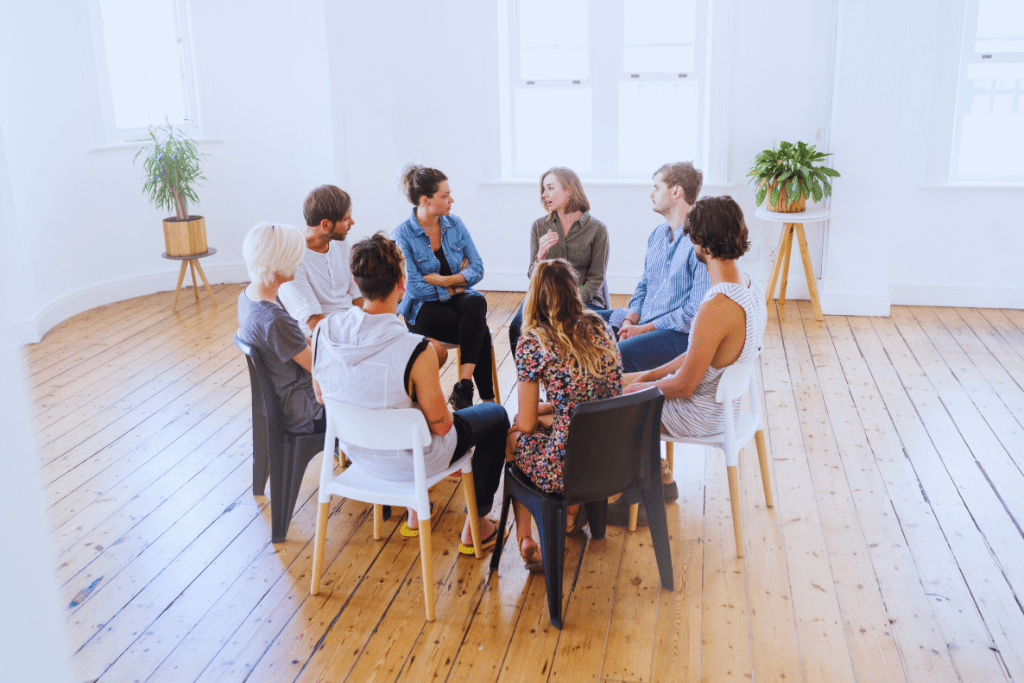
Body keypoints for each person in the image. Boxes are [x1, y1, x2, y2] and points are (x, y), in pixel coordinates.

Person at [312, 233, 509, 554]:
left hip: (358, 457)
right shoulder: (414, 350)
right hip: (411, 463)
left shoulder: (324, 331)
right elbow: (443, 427)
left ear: (355, 281)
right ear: (402, 283)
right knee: (497, 417)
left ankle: (418, 511)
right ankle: (478, 525)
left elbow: (322, 396)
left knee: (403, 405)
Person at [620, 196, 767, 522]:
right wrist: (648, 375)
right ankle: (652, 478)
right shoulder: (750, 287)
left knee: (612, 403)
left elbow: (684, 386)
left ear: (701, 242)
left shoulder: (715, 306)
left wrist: (642, 387)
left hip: (699, 414)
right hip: (723, 405)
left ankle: (634, 497)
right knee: (618, 383)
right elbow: (697, 354)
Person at [505, 259, 622, 572]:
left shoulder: (533, 341)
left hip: (567, 469)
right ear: (574, 291)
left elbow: (527, 424)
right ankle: (571, 517)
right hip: (613, 457)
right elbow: (593, 396)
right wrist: (548, 409)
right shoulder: (600, 326)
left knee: (514, 437)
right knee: (552, 429)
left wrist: (532, 415)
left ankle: (525, 538)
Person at [278, 184, 450, 365]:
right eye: (347, 218)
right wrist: (365, 337)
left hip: (356, 324)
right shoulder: (293, 259)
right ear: (326, 225)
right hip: (332, 338)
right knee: (422, 357)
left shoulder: (338, 240)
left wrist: (377, 326)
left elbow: (356, 293)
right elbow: (316, 324)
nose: (352, 223)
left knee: (436, 351)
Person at [392, 164, 494, 410]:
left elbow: (478, 267)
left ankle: (464, 387)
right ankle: (487, 400)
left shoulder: (454, 224)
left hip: (456, 301)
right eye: (445, 195)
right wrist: (459, 281)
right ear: (425, 200)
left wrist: (443, 281)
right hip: (421, 310)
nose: (452, 200)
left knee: (477, 302)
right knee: (479, 331)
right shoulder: (402, 235)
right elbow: (415, 288)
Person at [596, 162, 710, 374]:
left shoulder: (701, 241)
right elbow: (645, 285)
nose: (651, 194)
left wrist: (643, 329)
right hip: (645, 321)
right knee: (576, 323)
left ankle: (610, 405)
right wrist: (630, 320)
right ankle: (563, 402)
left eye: (657, 188)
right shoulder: (657, 235)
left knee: (616, 355)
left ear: (676, 191)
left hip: (677, 334)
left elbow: (695, 311)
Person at [507, 167, 610, 353]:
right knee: (517, 328)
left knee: (571, 330)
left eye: (550, 188)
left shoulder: (597, 229)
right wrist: (541, 256)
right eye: (543, 190)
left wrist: (576, 297)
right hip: (546, 296)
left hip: (583, 297)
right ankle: (528, 380)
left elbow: (597, 277)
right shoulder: (539, 226)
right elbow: (532, 273)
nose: (545, 194)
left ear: (569, 189)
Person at [237, 222, 324, 435]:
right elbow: (319, 369)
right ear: (279, 264)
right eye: (296, 258)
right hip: (309, 411)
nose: (300, 263)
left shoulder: (251, 295)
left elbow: (302, 339)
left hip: (296, 399)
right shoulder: (272, 319)